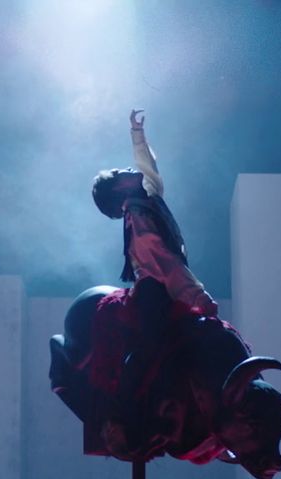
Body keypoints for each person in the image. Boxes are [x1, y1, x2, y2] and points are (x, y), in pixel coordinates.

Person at [87, 110, 219, 458]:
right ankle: (124, 413)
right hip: (156, 289)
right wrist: (195, 294)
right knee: (150, 348)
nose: (126, 170)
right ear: (119, 191)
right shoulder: (141, 216)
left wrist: (136, 132)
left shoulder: (147, 199)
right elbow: (162, 261)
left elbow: (148, 169)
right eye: (119, 174)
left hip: (168, 281)